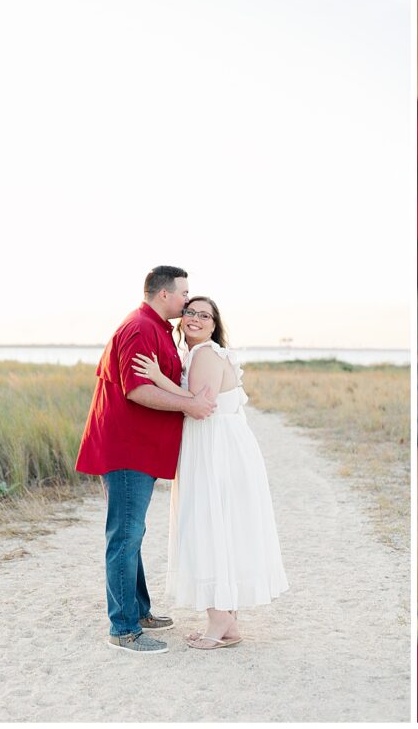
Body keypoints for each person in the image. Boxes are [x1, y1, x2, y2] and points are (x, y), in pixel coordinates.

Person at [132, 296, 288, 650]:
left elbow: (198, 404)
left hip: (215, 449)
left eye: (205, 315)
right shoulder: (203, 353)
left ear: (215, 324)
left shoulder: (204, 354)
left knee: (208, 526)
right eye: (190, 312)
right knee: (221, 527)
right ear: (181, 318)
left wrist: (156, 378)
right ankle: (227, 622)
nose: (196, 319)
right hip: (221, 447)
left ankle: (219, 620)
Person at [76, 266, 217, 654]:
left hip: (139, 447)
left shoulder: (157, 328)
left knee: (132, 533)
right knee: (124, 535)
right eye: (183, 293)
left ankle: (138, 611)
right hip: (126, 448)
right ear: (163, 294)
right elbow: (137, 390)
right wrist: (191, 405)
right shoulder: (140, 327)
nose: (188, 300)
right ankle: (123, 629)